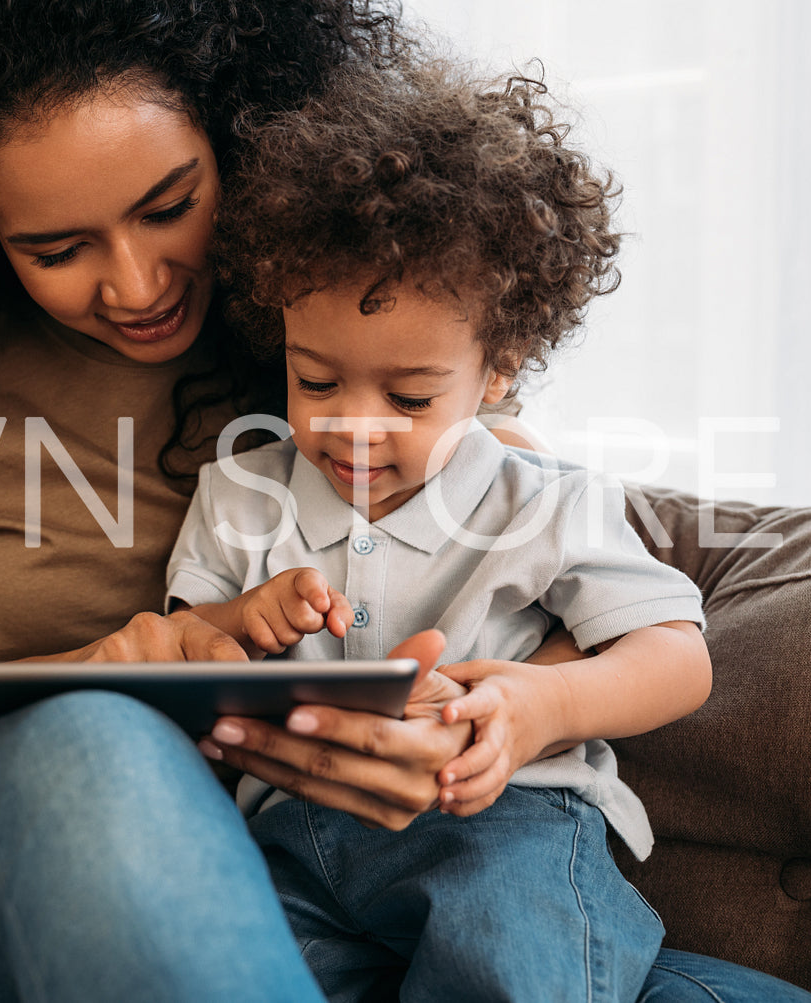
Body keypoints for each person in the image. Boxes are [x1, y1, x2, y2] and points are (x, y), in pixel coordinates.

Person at [0, 1, 811, 999]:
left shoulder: (339, 325)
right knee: (97, 737)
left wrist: (453, 725)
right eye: (55, 245)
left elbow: (538, 587)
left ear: (240, 132)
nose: (136, 281)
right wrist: (98, 684)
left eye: (168, 205)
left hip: (288, 877)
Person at [166, 61, 714, 1001]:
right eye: (317, 380)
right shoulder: (237, 493)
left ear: (496, 369)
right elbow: (177, 661)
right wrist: (242, 619)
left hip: (498, 824)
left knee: (511, 969)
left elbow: (674, 653)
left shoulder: (541, 498)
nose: (352, 425)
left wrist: (543, 707)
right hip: (285, 842)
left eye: (408, 396)